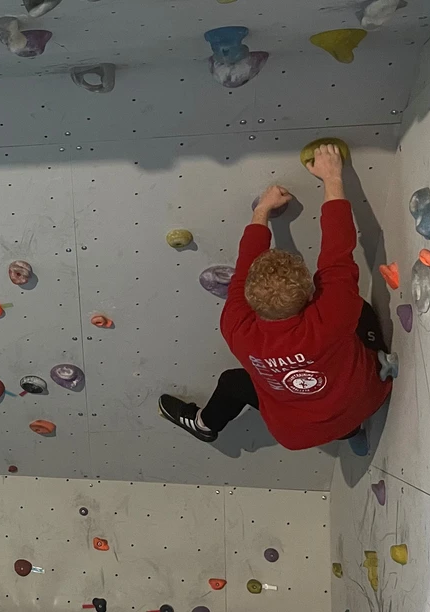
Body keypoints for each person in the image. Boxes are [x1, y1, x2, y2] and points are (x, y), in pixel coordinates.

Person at [158, 144, 391, 455]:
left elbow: (243, 268)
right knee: (356, 307)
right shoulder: (333, 313)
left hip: (298, 432)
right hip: (366, 399)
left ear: (248, 297)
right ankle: (349, 429)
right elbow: (338, 252)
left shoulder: (236, 327)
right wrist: (332, 176)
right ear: (311, 293)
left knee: (233, 382)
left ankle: (205, 425)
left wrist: (261, 209)